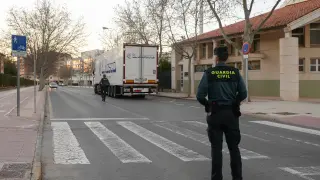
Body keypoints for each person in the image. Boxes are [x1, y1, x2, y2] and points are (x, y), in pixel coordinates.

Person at [196, 46, 247, 180]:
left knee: (216, 149)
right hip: (231, 114)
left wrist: (208, 105)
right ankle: (237, 177)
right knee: (234, 149)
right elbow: (243, 93)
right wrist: (235, 102)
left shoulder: (209, 73)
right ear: (226, 57)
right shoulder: (235, 73)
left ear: (216, 58)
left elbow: (200, 95)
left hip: (215, 114)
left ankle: (216, 177)